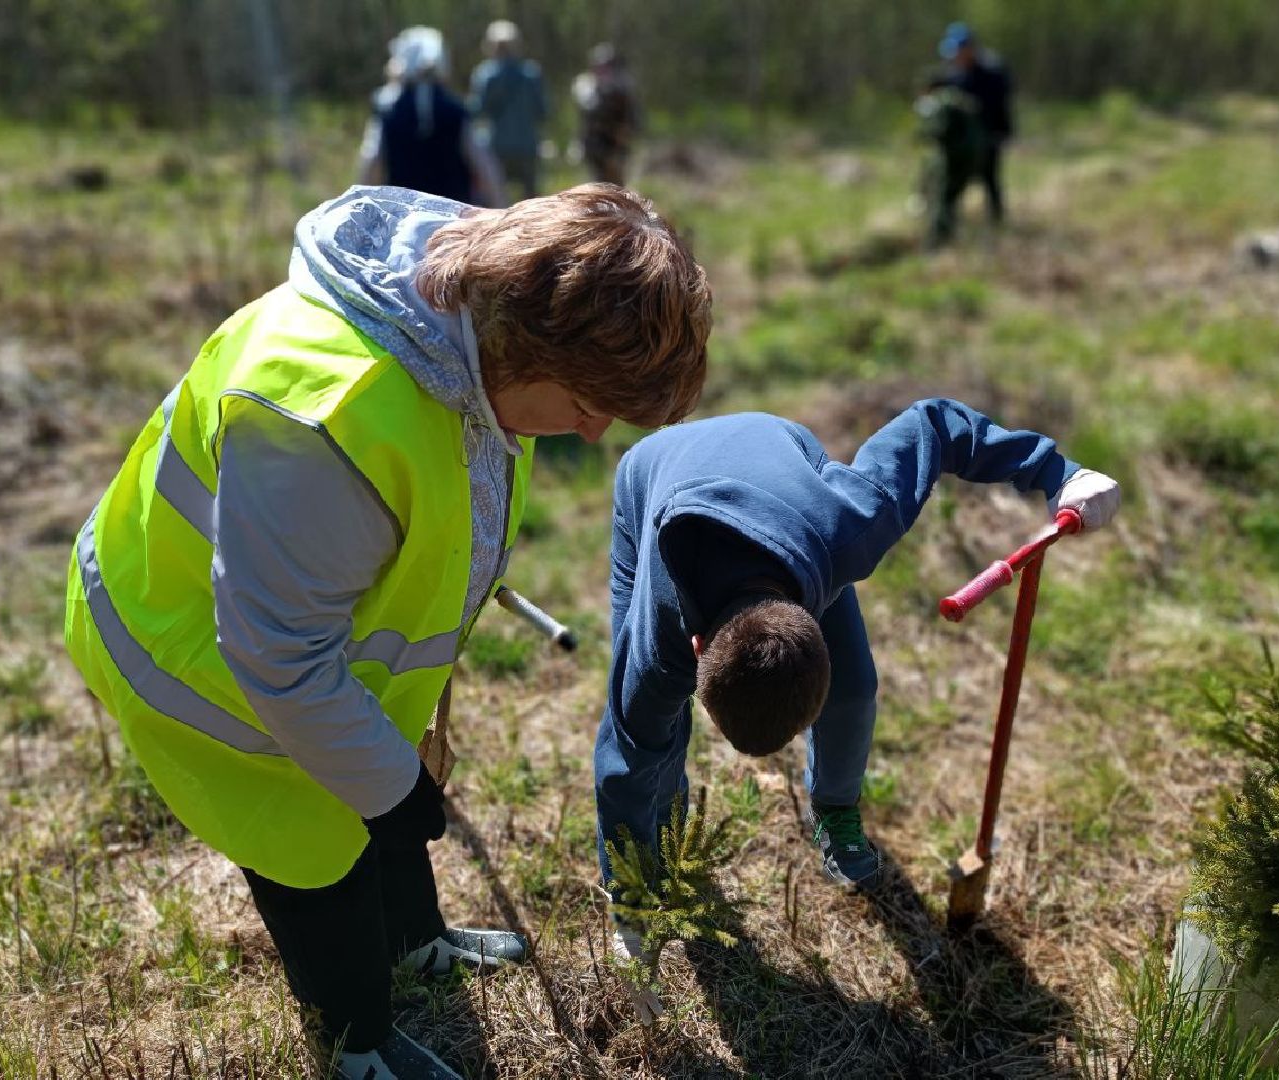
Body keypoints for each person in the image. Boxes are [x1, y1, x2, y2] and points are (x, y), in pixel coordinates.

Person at [65, 184, 710, 1079]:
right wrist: (389, 785)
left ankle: (415, 943)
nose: (594, 431)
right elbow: (281, 663)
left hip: (303, 645)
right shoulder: (331, 420)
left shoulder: (463, 342)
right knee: (312, 849)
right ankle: (358, 1041)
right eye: (584, 404)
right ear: (524, 344)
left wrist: (396, 779)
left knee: (391, 796)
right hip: (201, 665)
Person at [594, 401, 1119, 963]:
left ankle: (835, 808)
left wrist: (1058, 474)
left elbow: (934, 425)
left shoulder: (851, 525)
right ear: (696, 650)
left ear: (814, 622)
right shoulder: (660, 643)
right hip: (650, 480)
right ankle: (663, 850)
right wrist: (628, 911)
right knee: (653, 735)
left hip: (780, 464)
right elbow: (624, 762)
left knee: (854, 688)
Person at [357, 26, 497, 205]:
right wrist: (500, 210)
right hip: (455, 216)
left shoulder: (388, 110)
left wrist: (361, 205)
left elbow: (371, 161)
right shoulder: (455, 109)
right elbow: (485, 167)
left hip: (403, 219)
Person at [937, 22, 1013, 232]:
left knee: (990, 180)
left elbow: (1001, 108)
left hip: (988, 138)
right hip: (958, 144)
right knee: (951, 185)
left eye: (960, 51)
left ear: (970, 49)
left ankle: (997, 223)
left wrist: (1002, 132)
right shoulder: (951, 77)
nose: (956, 57)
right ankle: (947, 226)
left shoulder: (991, 75)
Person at [469, 20, 549, 203]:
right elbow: (543, 111)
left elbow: (477, 110)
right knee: (532, 201)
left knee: (494, 200)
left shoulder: (485, 75)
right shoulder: (531, 73)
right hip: (527, 144)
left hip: (496, 146)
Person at [915, 70, 984, 247]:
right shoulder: (961, 99)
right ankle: (951, 237)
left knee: (942, 199)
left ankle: (936, 242)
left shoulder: (939, 103)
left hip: (951, 157)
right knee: (952, 197)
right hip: (974, 155)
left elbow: (940, 131)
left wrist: (925, 134)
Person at [572, 43, 640, 186]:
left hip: (617, 145)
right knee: (597, 186)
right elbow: (588, 116)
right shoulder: (587, 86)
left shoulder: (624, 87)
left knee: (617, 187)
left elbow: (631, 118)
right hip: (595, 145)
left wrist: (625, 134)